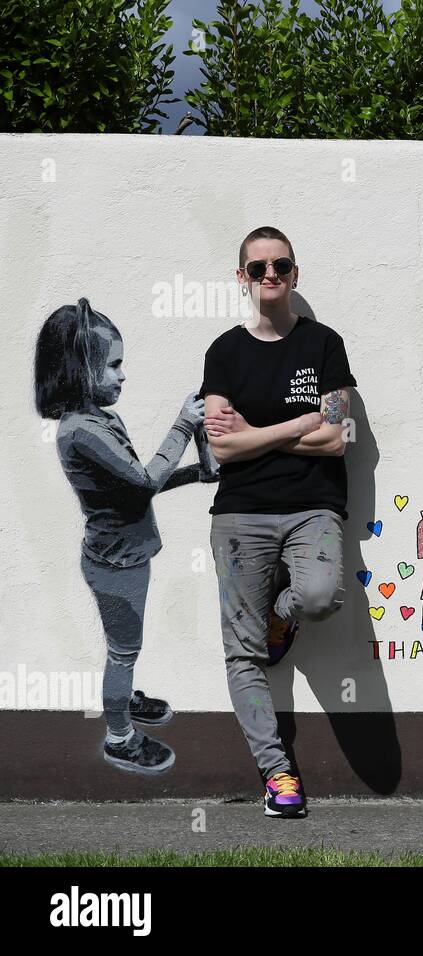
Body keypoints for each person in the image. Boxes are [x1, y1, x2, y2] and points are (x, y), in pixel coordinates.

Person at [200, 226, 357, 818]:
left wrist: (255, 434)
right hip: (239, 515)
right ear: (241, 276)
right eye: (258, 267)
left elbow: (338, 438)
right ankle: (277, 774)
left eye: (281, 265)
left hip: (312, 507)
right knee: (242, 651)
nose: (270, 275)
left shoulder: (324, 345)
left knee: (318, 596)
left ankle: (280, 615)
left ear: (295, 273)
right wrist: (296, 425)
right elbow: (223, 452)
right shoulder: (224, 352)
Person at [35, 297, 218, 775]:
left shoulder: (100, 419)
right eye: (113, 365)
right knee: (122, 651)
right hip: (115, 563)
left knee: (126, 644)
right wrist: (183, 426)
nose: (123, 376)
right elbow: (142, 482)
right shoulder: (80, 431)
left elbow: (138, 486)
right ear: (81, 370)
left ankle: (125, 694)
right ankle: (120, 734)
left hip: (124, 555)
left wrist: (194, 473)